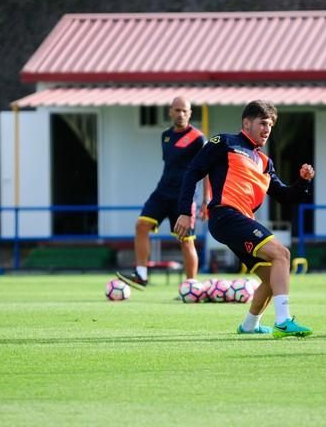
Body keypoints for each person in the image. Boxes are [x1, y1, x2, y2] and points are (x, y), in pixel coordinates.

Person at [175, 100, 314, 339]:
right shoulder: (224, 142)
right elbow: (193, 171)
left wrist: (303, 182)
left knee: (273, 278)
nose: (267, 129)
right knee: (283, 254)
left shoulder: (265, 163)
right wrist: (185, 211)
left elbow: (286, 196)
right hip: (225, 215)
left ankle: (250, 325)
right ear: (246, 123)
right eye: (262, 123)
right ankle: (283, 321)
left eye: (270, 124)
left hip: (239, 222)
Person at [117, 96, 208, 290]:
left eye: (185, 110)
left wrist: (206, 200)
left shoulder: (198, 138)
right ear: (170, 111)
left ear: (191, 113)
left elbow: (207, 170)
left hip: (183, 198)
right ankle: (141, 274)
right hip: (161, 193)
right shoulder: (165, 136)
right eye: (177, 110)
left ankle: (191, 286)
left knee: (186, 241)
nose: (181, 114)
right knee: (141, 225)